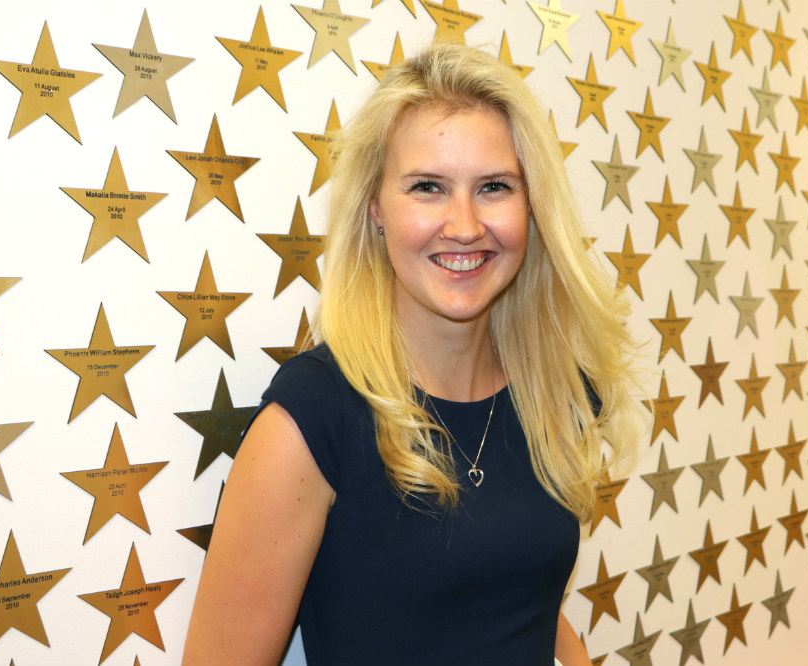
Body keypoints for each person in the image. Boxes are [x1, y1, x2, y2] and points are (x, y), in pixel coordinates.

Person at [182, 43, 638, 666]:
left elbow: (519, 597)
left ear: (532, 208)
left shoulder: (552, 392)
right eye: (428, 187)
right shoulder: (314, 418)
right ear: (375, 207)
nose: (465, 224)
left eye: (495, 187)